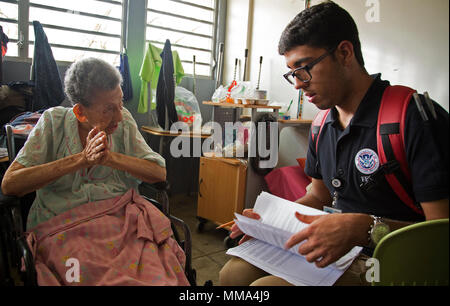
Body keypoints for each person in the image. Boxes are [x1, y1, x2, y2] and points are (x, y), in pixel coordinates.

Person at [219, 1, 449, 286]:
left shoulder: (411, 117)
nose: (298, 84)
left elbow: (441, 232)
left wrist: (366, 228)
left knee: (266, 289)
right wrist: (268, 224)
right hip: (340, 249)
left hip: (394, 258)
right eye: (292, 73)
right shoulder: (322, 124)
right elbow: (318, 197)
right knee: (233, 274)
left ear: (344, 53)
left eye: (304, 68)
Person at [1, 57, 166, 230]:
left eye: (121, 103)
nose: (118, 116)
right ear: (80, 112)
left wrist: (110, 158)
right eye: (108, 109)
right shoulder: (53, 122)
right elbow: (10, 184)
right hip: (64, 226)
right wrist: (82, 159)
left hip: (120, 220)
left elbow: (158, 173)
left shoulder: (123, 121)